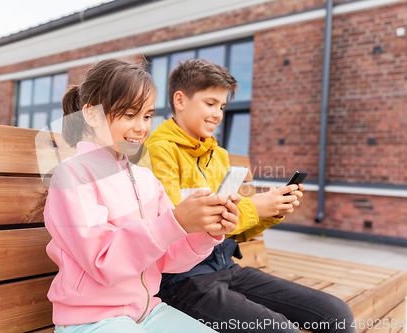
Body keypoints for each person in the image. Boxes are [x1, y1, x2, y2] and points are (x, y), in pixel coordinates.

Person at [145, 59, 356, 333]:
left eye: (222, 106)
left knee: (337, 315)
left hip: (226, 266)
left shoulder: (217, 154)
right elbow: (180, 227)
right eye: (210, 103)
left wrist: (272, 210)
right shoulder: (158, 151)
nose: (218, 114)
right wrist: (255, 206)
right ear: (180, 100)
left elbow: (234, 232)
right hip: (182, 279)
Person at [43, 58, 243, 333]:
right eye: (129, 114)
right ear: (91, 114)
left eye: (147, 115)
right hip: (90, 320)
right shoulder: (71, 177)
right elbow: (103, 261)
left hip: (147, 312)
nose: (141, 127)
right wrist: (175, 222)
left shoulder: (146, 179)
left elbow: (169, 259)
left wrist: (204, 230)